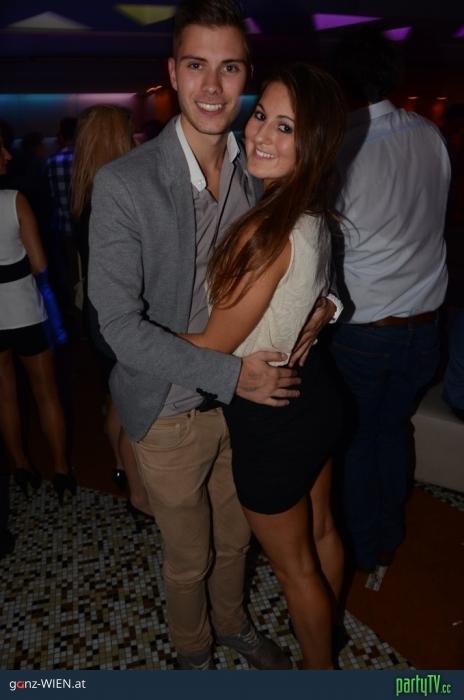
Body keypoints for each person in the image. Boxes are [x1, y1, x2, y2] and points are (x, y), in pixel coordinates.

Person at [89, 0, 338, 670]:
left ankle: (231, 625)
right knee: (188, 555)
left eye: (228, 68)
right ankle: (193, 652)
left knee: (237, 543)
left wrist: (328, 304)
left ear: (245, 75)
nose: (211, 86)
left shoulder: (261, 164)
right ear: (173, 72)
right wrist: (231, 375)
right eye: (196, 65)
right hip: (173, 405)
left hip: (243, 412)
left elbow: (306, 240)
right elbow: (117, 327)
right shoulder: (124, 183)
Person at [180, 63, 346, 669]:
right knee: (322, 531)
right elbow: (317, 289)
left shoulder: (265, 233)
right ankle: (330, 637)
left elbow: (211, 348)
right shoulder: (312, 213)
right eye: (260, 116)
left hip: (269, 413)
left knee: (294, 567)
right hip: (314, 393)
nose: (260, 135)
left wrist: (130, 329)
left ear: (314, 144)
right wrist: (327, 306)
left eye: (285, 127)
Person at [329, 30, 451, 572]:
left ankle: (365, 544)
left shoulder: (344, 149)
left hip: (365, 331)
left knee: (357, 439)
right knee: (393, 429)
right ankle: (388, 534)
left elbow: (327, 243)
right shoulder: (429, 133)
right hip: (425, 326)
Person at [70, 104, 151, 517]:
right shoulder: (118, 193)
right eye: (130, 132)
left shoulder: (85, 192)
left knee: (117, 399)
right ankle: (139, 496)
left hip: (97, 314)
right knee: (136, 408)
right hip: (119, 317)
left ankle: (121, 469)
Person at [0, 132, 75, 504]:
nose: (6, 155)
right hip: (24, 311)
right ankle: (61, 470)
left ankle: (20, 467)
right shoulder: (14, 200)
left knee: (5, 395)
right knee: (46, 393)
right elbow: (40, 263)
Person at [45, 117, 78, 330]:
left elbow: (50, 196)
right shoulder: (85, 158)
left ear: (61, 135)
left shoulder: (52, 161)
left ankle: (74, 315)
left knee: (69, 272)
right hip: (86, 227)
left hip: (63, 226)